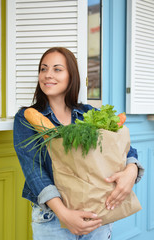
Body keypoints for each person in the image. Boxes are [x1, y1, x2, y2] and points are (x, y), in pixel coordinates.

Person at [13, 47, 144, 240]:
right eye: (43, 69)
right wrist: (64, 214)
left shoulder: (88, 113)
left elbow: (123, 149)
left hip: (97, 212)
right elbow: (34, 171)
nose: (48, 75)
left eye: (57, 69)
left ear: (71, 75)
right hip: (53, 219)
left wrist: (131, 171)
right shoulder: (27, 117)